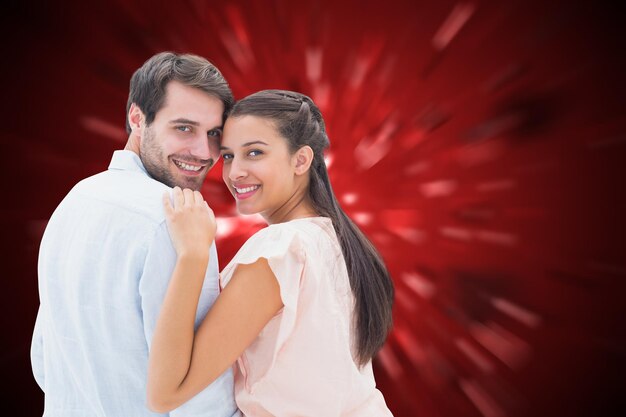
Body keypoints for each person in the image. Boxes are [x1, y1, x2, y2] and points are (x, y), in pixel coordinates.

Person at [147, 90, 395, 416]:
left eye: (254, 153)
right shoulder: (335, 239)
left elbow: (166, 394)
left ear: (301, 160)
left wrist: (192, 255)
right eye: (228, 156)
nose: (234, 173)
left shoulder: (279, 251)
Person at [31, 52, 240, 417]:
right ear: (137, 119)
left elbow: (43, 364)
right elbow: (201, 401)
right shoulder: (178, 222)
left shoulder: (75, 199)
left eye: (214, 133)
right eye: (184, 128)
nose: (204, 152)